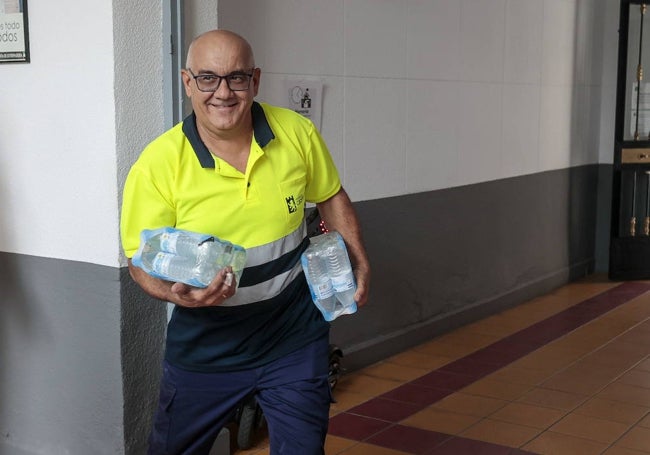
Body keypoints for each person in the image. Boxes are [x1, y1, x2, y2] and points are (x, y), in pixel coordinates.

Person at [120, 29, 371, 455]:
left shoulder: (296, 133)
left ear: (255, 81)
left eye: (236, 78)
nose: (223, 92)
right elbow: (139, 262)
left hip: (292, 336)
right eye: (208, 78)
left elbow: (330, 195)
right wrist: (175, 293)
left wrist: (359, 259)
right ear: (187, 82)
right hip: (206, 348)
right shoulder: (158, 164)